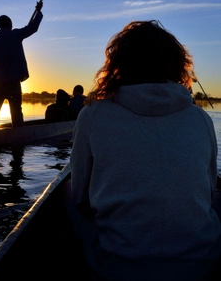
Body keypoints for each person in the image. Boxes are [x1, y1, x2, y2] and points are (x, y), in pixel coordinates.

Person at [68, 20, 221, 280]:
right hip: (201, 264)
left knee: (64, 190)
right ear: (175, 65)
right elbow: (208, 192)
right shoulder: (201, 119)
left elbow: (80, 198)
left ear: (118, 65)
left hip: (118, 267)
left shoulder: (92, 115)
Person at [0, 1, 43, 128]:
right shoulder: (15, 34)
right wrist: (38, 11)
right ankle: (18, 134)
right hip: (12, 81)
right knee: (16, 110)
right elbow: (32, 28)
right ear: (9, 24)